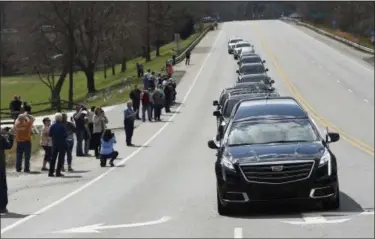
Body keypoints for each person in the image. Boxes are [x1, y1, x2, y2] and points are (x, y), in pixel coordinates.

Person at [48, 113, 67, 177]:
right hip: (61, 143)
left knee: (53, 158)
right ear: (60, 119)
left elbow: (50, 134)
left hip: (54, 143)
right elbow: (65, 135)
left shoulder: (52, 126)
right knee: (60, 158)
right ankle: (58, 172)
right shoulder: (62, 126)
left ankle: (50, 172)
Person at [0, 127, 14, 214]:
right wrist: (10, 136)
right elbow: (8, 146)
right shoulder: (1, 139)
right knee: (2, 186)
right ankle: (2, 206)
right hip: (0, 165)